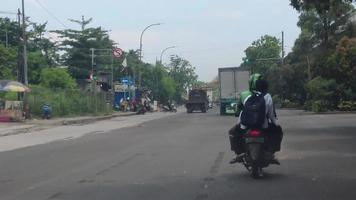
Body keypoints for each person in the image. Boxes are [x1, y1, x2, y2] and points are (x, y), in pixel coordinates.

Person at [229, 73, 279, 164]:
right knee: (276, 132)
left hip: (245, 124)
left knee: (233, 132)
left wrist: (239, 121)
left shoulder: (246, 96)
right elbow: (271, 114)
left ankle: (238, 153)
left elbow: (241, 111)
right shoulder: (268, 96)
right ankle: (271, 152)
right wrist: (275, 123)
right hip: (262, 124)